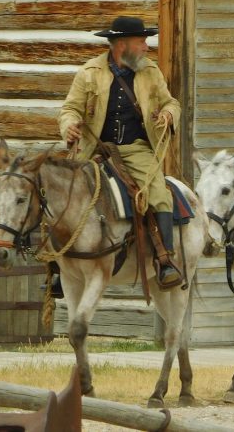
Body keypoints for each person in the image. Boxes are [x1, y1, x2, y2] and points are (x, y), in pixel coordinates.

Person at [57, 15, 183, 289]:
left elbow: (171, 102)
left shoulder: (150, 72)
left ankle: (166, 261)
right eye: (142, 42)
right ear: (122, 45)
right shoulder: (89, 72)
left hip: (135, 149)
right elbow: (70, 109)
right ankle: (55, 265)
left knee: (160, 195)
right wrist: (69, 127)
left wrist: (169, 114)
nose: (146, 47)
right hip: (94, 148)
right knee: (62, 194)